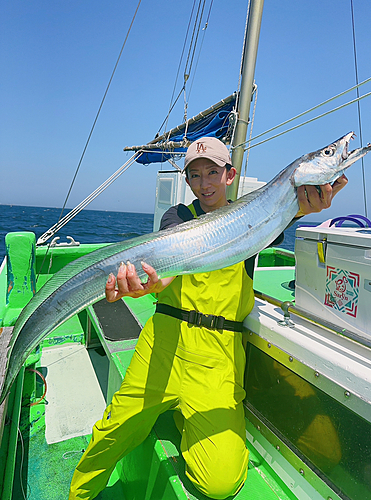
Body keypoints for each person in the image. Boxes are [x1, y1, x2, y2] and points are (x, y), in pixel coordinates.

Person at [69, 137, 347, 499]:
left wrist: (302, 207)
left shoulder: (253, 223)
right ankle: (78, 494)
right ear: (187, 181)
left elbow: (281, 212)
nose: (204, 183)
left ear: (229, 175)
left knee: (221, 483)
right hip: (163, 343)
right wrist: (146, 287)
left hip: (217, 355)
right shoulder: (179, 217)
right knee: (114, 430)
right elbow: (166, 269)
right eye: (195, 175)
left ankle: (189, 417)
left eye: (213, 172)